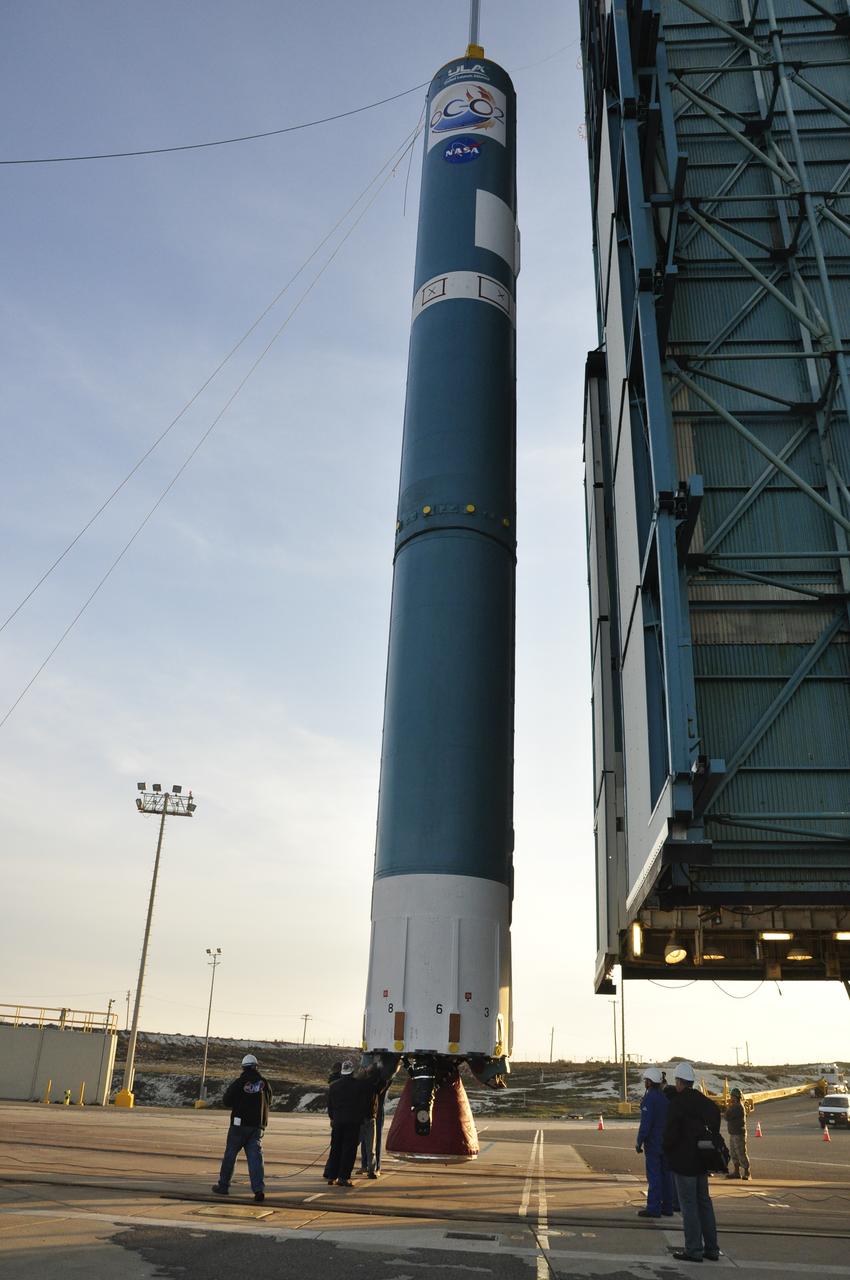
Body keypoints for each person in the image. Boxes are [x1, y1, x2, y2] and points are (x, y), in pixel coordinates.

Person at [663, 1061, 721, 1263]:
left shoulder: (677, 1104)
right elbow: (715, 1123)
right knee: (704, 1203)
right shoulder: (705, 1102)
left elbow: (669, 1136)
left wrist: (668, 1150)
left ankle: (694, 1250)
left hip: (684, 1163)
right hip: (702, 1162)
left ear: (679, 1081)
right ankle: (712, 1249)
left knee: (689, 1207)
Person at [212, 1053, 273, 1202]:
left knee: (230, 1156)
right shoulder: (264, 1083)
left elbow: (227, 1100)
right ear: (256, 1066)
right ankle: (258, 1190)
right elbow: (269, 1101)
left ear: (243, 1067)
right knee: (255, 1158)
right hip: (257, 1126)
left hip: (239, 1126)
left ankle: (223, 1186)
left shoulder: (240, 1082)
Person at [323, 1059, 378, 1186]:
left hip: (337, 1122)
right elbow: (372, 1086)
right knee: (348, 1150)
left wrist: (332, 1118)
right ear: (352, 1071)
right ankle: (343, 1177)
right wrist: (370, 1071)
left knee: (335, 1148)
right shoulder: (358, 1085)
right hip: (352, 1122)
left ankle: (332, 1176)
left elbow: (330, 1106)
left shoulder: (334, 1086)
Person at [635, 1065, 674, 1218]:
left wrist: (639, 1141)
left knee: (654, 1176)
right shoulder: (664, 1098)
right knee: (666, 1175)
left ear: (650, 1082)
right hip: (666, 1142)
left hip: (654, 1143)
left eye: (646, 1080)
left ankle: (653, 1208)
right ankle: (667, 1207)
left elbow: (646, 1124)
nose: (645, 1082)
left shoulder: (650, 1098)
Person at [725, 1087, 751, 1181]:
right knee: (734, 1153)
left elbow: (727, 1116)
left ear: (736, 1097)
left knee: (741, 1153)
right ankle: (736, 1172)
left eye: (732, 1096)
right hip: (733, 1133)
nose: (731, 1098)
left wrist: (728, 1107)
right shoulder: (735, 1106)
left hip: (739, 1134)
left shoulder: (737, 1107)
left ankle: (747, 1172)